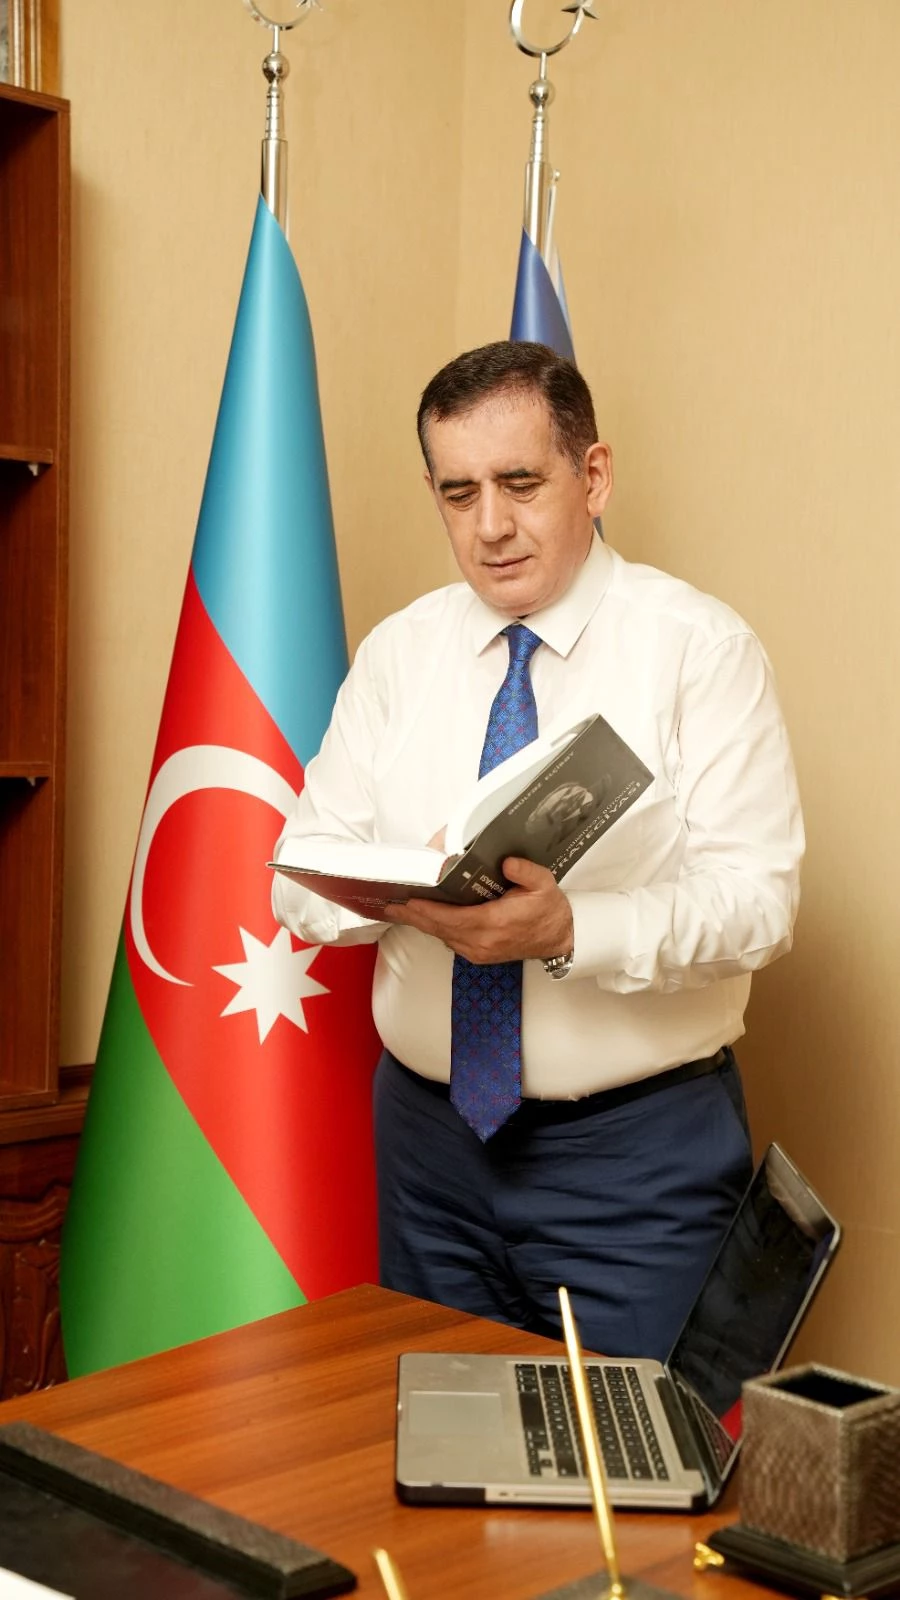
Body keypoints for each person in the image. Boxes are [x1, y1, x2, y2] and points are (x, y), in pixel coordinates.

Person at [272, 340, 804, 1361]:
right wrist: (406, 893)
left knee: (647, 1445)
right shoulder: (398, 655)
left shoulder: (698, 649)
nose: (491, 526)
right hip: (428, 1149)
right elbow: (299, 875)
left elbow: (757, 903)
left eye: (520, 484)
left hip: (635, 1159)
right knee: (442, 1440)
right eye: (458, 492)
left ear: (592, 476)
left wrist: (569, 929)